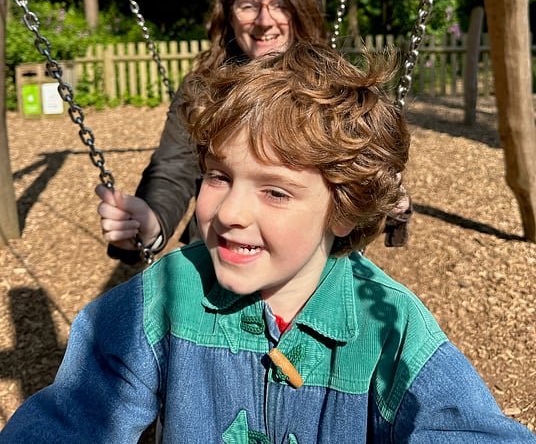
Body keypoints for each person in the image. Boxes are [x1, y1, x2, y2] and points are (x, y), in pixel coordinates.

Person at [3, 42, 534, 442]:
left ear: (344, 210)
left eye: (276, 191)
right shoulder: (163, 299)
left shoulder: (392, 329)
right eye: (218, 177)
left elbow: (462, 427)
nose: (230, 212)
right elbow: (78, 414)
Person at [97, 0, 412, 265]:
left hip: (305, 265)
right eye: (248, 6)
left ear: (298, 11)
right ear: (228, 13)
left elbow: (362, 169)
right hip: (222, 252)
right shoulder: (202, 88)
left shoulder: (331, 89)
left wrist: (388, 201)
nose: (264, 20)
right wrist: (151, 222)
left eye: (280, 5)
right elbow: (173, 166)